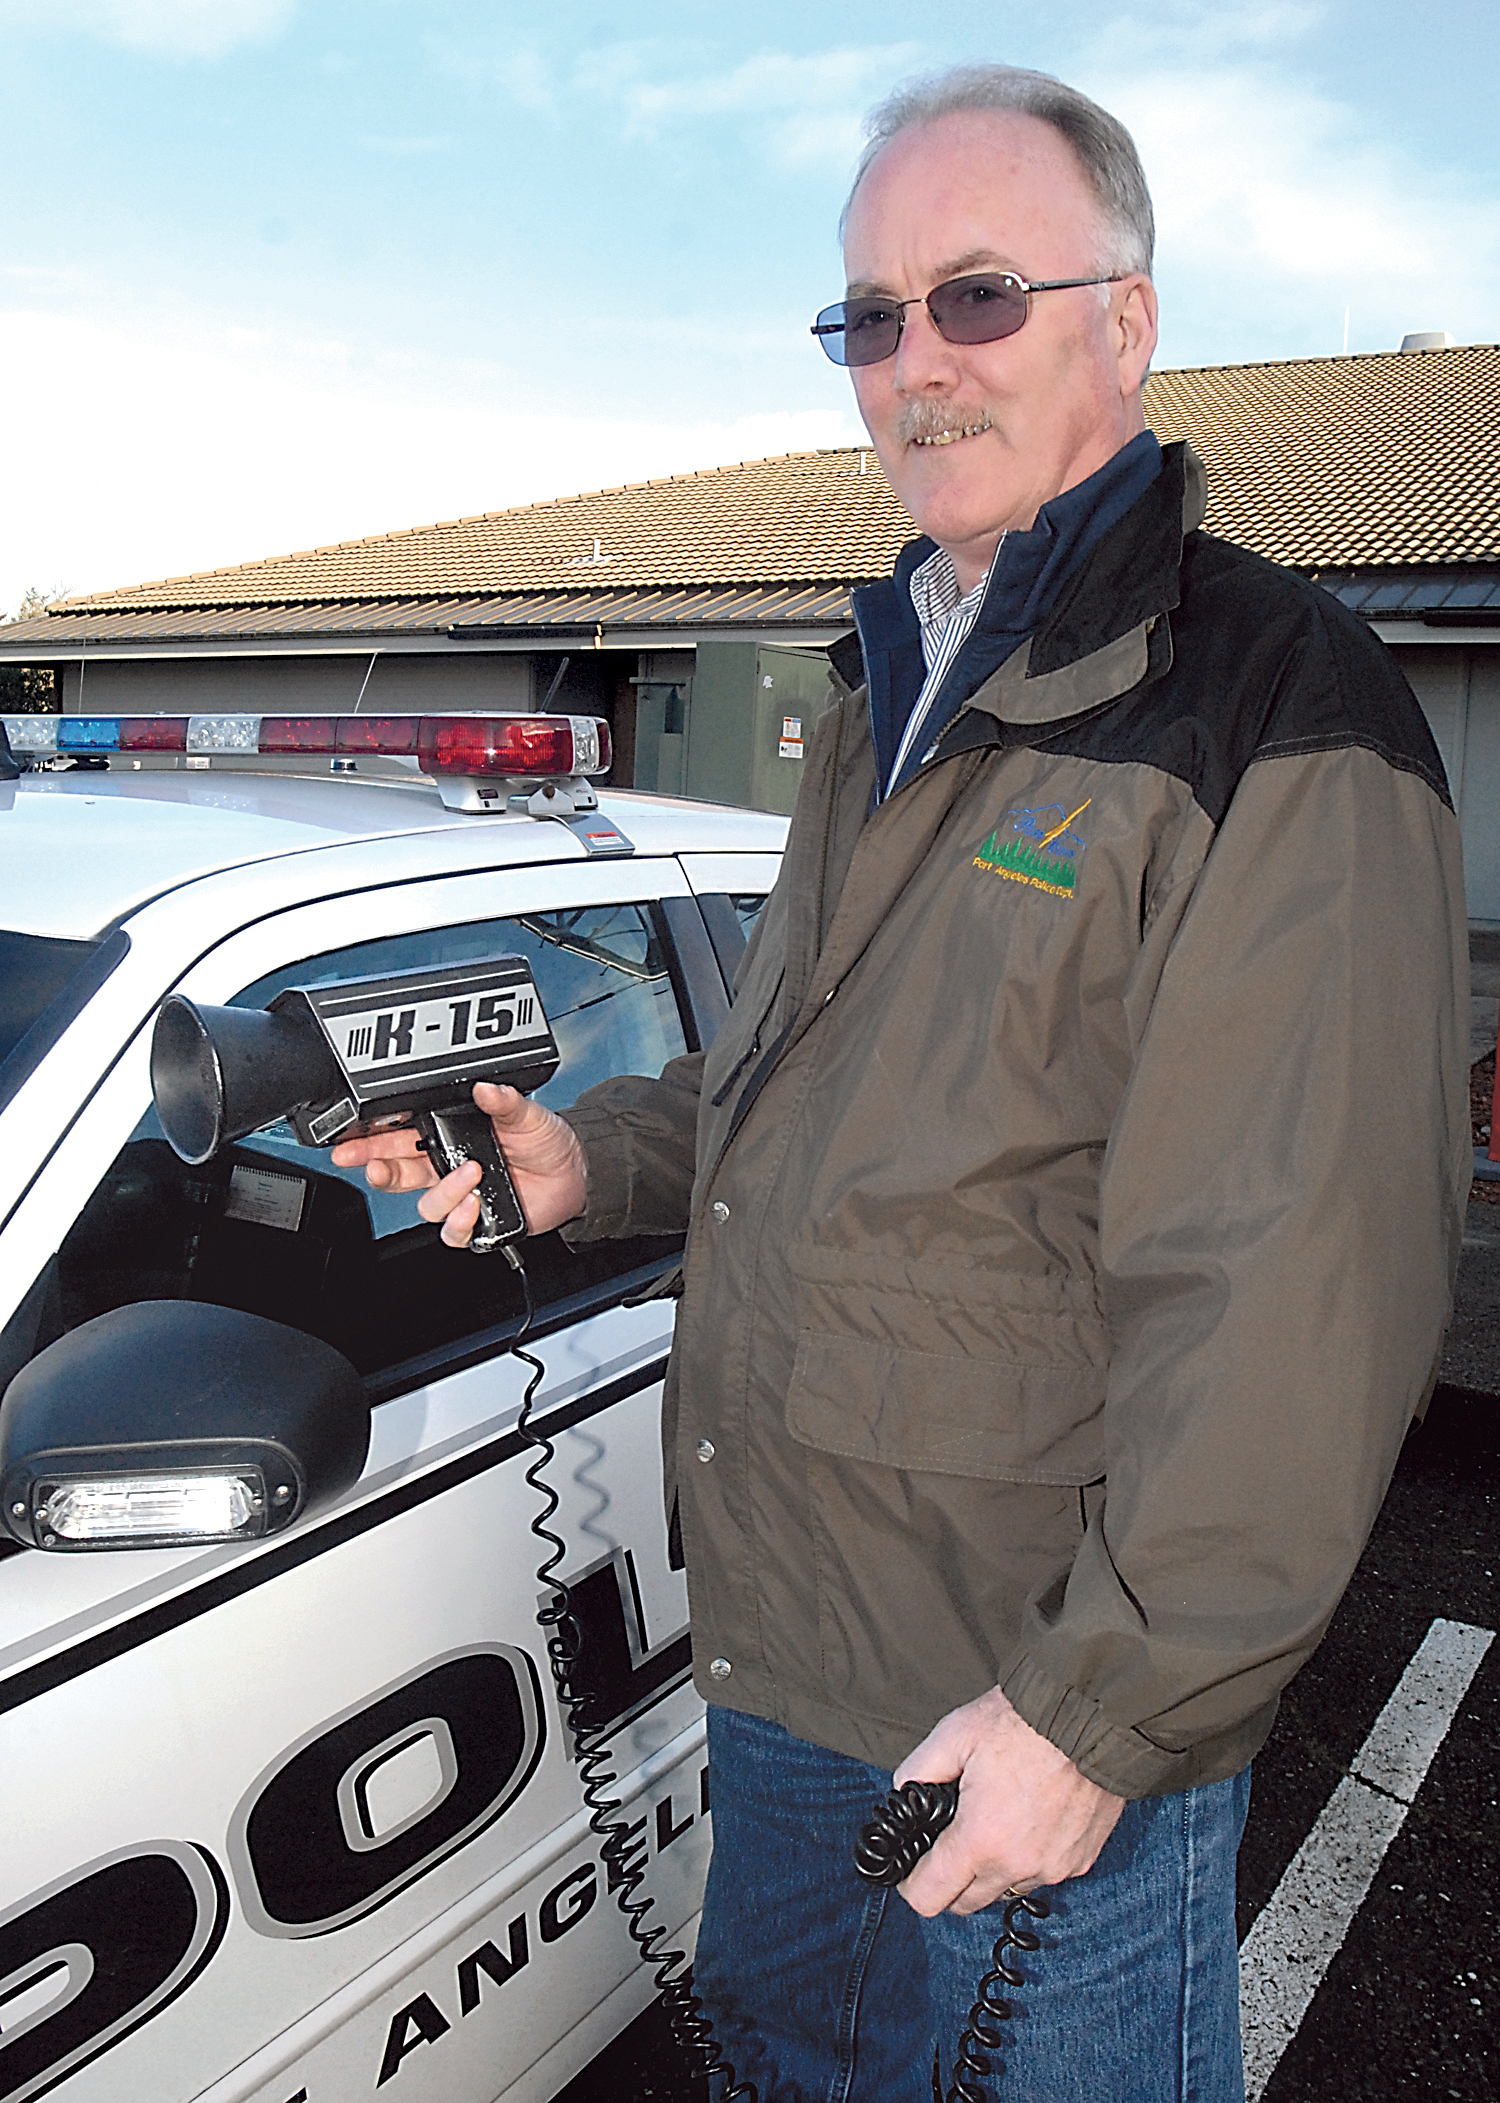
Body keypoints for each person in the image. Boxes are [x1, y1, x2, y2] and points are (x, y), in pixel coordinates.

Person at [334, 64, 1469, 2103]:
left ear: (1127, 321)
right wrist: (592, 1152)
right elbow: (808, 1072)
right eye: (867, 315)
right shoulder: (890, 680)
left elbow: (1297, 1278)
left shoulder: (1278, 704)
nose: (912, 363)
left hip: (1026, 1688)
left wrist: (1101, 1712)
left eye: (976, 297)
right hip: (790, 1649)